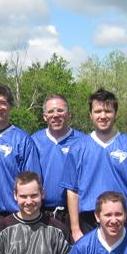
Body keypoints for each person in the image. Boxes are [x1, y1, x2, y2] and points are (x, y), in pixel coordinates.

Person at [62, 88, 127, 242]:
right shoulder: (77, 148)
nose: (103, 116)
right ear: (90, 115)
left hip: (123, 219)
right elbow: (72, 191)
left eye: (108, 111)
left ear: (116, 114)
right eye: (97, 111)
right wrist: (75, 230)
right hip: (88, 222)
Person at [0, 84, 41, 221]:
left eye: (3, 102)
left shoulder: (23, 140)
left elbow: (32, 182)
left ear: (10, 107)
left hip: (14, 215)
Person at [31, 94, 85, 224]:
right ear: (45, 116)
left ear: (69, 114)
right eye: (50, 111)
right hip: (41, 213)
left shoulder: (83, 142)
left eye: (60, 110)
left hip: (74, 213)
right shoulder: (33, 141)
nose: (55, 115)